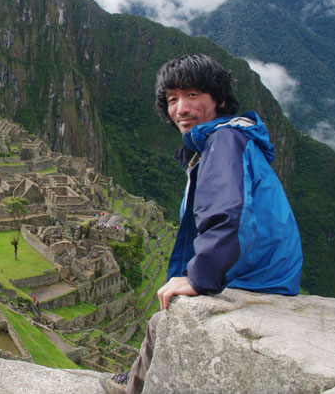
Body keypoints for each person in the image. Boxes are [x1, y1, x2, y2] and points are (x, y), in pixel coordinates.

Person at [102, 54, 303, 394]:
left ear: (219, 100)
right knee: (166, 312)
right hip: (262, 271)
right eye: (172, 100)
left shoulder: (224, 141)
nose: (181, 108)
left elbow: (230, 214)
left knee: (164, 319)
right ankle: (139, 376)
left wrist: (199, 278)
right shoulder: (225, 140)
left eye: (193, 96)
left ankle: (134, 387)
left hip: (257, 277)